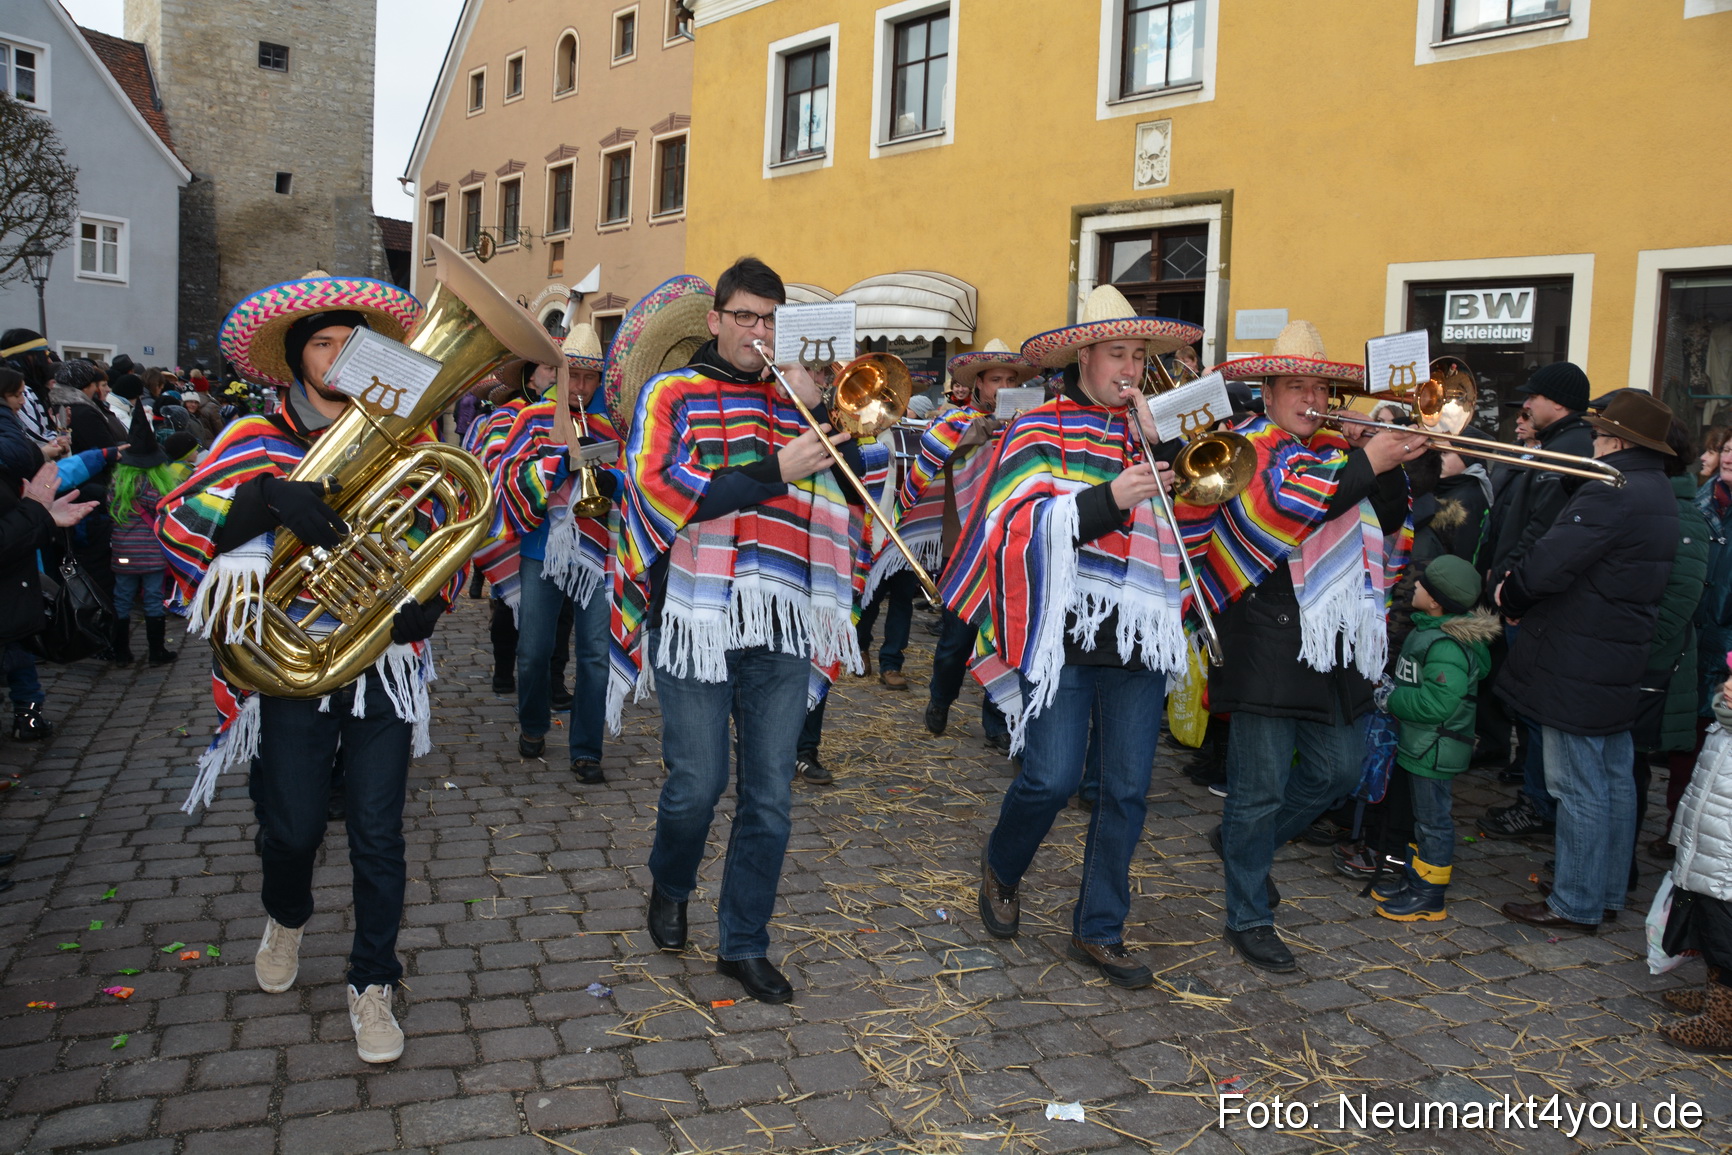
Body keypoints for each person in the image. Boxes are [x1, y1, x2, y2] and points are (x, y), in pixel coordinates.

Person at [156, 270, 451, 1063]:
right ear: (296, 356)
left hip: (380, 666)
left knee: (379, 834)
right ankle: (285, 913)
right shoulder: (251, 438)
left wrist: (432, 599)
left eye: (350, 341)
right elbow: (177, 522)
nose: (337, 354)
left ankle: (373, 982)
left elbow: (443, 523)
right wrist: (266, 497)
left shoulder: (407, 434)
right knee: (288, 832)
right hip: (287, 670)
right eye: (321, 341)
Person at [611, 262, 879, 1004]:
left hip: (783, 615)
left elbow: (851, 490)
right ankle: (670, 884)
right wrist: (775, 469)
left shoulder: (795, 399)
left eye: (771, 319)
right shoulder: (674, 394)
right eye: (746, 316)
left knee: (770, 795)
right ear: (715, 318)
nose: (758, 332)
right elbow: (663, 490)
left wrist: (830, 413)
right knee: (698, 784)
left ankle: (744, 941)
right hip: (696, 617)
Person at [945, 286, 1197, 988]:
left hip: (1139, 633)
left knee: (1126, 790)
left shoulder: (1153, 430)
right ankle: (1002, 864)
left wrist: (1168, 439)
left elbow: (1202, 514)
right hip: (1060, 634)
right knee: (1051, 777)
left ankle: (1100, 927)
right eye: (1117, 352)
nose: (1130, 367)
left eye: (1139, 355)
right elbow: (1014, 527)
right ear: (1085, 356)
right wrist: (1109, 498)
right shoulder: (1040, 428)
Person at [1177, 321, 1423, 972]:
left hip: (1333, 637)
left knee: (1338, 771)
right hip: (1262, 632)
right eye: (1297, 386)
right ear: (1269, 391)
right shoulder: (1247, 445)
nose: (1311, 397)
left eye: (1319, 386)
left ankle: (1244, 847)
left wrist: (1392, 456)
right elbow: (1286, 509)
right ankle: (1249, 913)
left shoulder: (1340, 451)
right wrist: (1371, 458)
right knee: (1256, 790)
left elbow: (1392, 516)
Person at [1495, 390, 1678, 934]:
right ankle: (1604, 890)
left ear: (1617, 441)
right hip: (1615, 652)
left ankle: (1575, 901)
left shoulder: (1613, 489)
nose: (1592, 443)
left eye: (1599, 436)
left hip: (1578, 652)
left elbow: (1549, 564)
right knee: (1613, 776)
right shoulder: (1655, 487)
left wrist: (1512, 593)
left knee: (1579, 785)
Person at [492, 324, 619, 783]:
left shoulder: (606, 425)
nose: (581, 388)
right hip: (540, 549)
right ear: (560, 374)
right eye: (574, 376)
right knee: (533, 651)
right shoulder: (530, 419)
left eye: (590, 378)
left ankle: (586, 750)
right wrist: (557, 464)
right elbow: (505, 478)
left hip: (594, 554)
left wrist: (611, 482)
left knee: (594, 655)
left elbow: (629, 484)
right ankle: (532, 724)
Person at [893, 339, 1033, 750]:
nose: (1003, 385)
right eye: (996, 379)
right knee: (956, 639)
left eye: (1011, 379)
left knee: (1006, 638)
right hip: (964, 547)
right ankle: (941, 697)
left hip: (1012, 546)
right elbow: (945, 443)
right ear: (978, 384)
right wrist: (994, 428)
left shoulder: (1030, 424)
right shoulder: (957, 421)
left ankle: (1000, 719)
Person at [1479, 363, 1596, 840]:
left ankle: (1538, 803)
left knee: (1533, 708)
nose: (1526, 405)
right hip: (1519, 587)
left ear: (1559, 403)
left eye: (1535, 398)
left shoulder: (1567, 450)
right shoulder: (1555, 445)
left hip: (1527, 596)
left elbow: (1540, 529)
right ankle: (1536, 797)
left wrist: (1508, 578)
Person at [1372, 556, 1497, 921]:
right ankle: (1416, 877)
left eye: (1423, 585)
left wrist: (1391, 699)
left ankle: (1430, 895)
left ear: (1437, 601)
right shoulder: (1428, 630)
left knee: (1432, 821)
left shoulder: (1445, 645)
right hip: (1421, 743)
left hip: (1434, 747)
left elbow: (1438, 702)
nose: (1415, 587)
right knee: (1421, 818)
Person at [1658, 676, 1732, 1054]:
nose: (1730, 685)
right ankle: (1716, 998)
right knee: (1711, 923)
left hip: (1728, 855)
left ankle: (1723, 1022)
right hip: (1714, 843)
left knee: (1726, 933)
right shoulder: (1725, 724)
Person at [107, 401, 180, 666]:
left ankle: (121, 651)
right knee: (152, 598)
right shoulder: (154, 484)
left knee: (122, 598)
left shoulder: (116, 483)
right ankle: (157, 651)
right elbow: (166, 509)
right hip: (151, 553)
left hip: (123, 553)